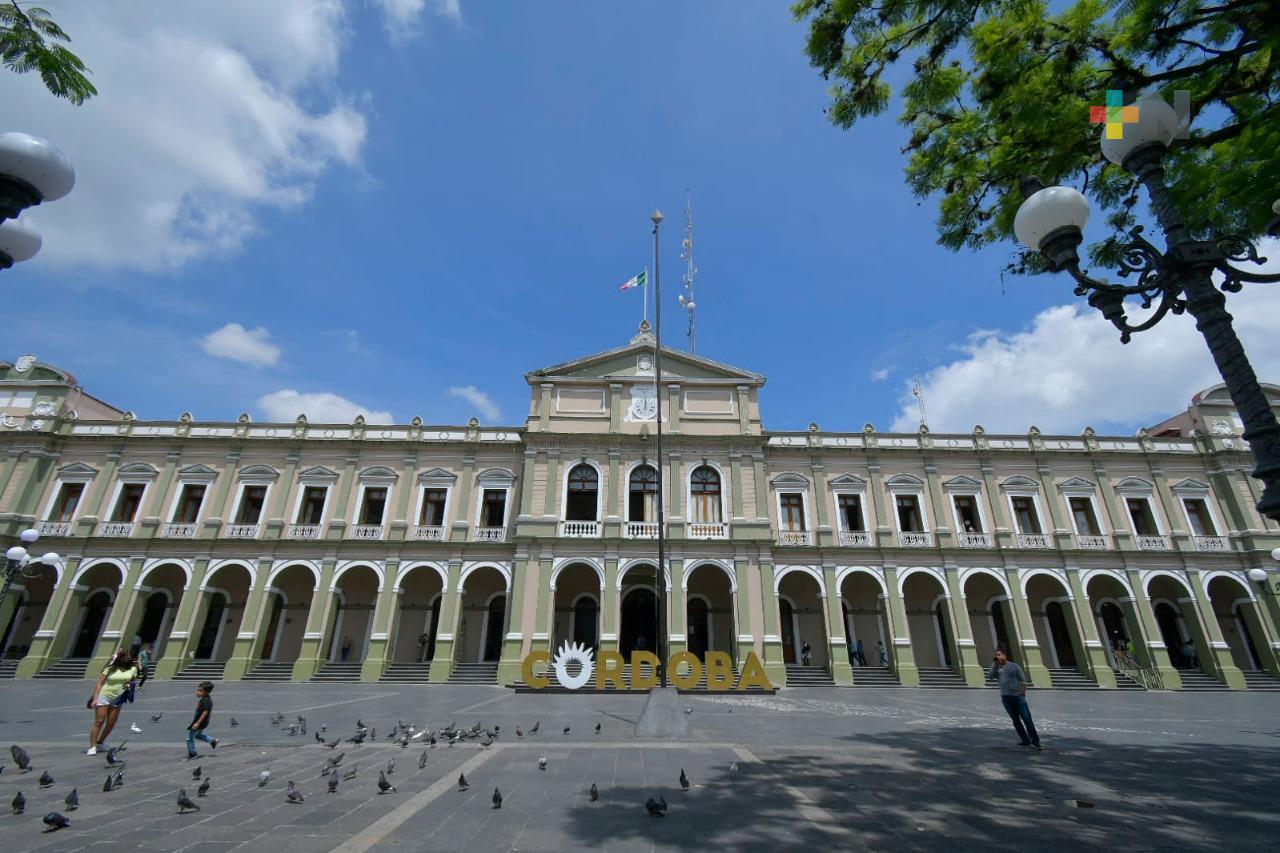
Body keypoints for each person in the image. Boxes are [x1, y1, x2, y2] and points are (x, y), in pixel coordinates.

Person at [87, 648, 138, 756]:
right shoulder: (111, 668)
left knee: (110, 723)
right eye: (125, 658)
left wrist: (129, 684)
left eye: (128, 658)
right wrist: (95, 698)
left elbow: (132, 680)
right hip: (104, 695)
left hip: (119, 697)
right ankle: (92, 746)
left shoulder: (133, 669)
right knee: (99, 721)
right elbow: (100, 683)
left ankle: (100, 742)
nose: (127, 660)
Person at [988, 648, 1040, 750]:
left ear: (1005, 656)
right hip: (1006, 698)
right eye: (995, 655)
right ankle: (1025, 740)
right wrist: (994, 665)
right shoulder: (997, 667)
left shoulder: (1014, 666)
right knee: (1015, 720)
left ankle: (1035, 741)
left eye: (999, 655)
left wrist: (1022, 694)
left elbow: (1023, 681)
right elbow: (990, 677)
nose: (997, 657)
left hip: (1018, 697)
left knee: (1026, 718)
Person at [186, 681, 220, 760]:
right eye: (198, 690)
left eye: (200, 691)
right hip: (203, 722)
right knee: (198, 735)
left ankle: (192, 754)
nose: (197, 693)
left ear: (207, 692)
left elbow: (205, 712)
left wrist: (197, 723)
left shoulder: (205, 700)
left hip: (200, 722)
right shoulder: (205, 698)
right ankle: (213, 741)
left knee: (189, 737)